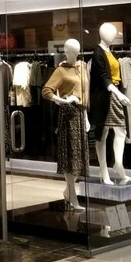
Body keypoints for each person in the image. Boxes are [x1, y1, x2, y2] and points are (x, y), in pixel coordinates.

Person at [41, 38, 88, 210]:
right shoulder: (61, 70)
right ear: (66, 52)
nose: (74, 53)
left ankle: (68, 192)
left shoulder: (83, 67)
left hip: (80, 114)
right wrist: (63, 101)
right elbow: (46, 91)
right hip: (68, 115)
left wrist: (86, 117)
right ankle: (72, 196)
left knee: (80, 158)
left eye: (76, 50)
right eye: (70, 50)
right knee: (71, 158)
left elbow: (85, 93)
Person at [90, 22, 131, 185]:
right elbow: (103, 77)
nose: (113, 36)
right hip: (105, 96)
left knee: (121, 130)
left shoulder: (110, 52)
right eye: (111, 33)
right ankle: (104, 171)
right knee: (103, 132)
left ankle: (118, 164)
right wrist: (118, 94)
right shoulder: (97, 53)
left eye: (114, 33)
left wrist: (118, 93)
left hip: (114, 94)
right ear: (102, 34)